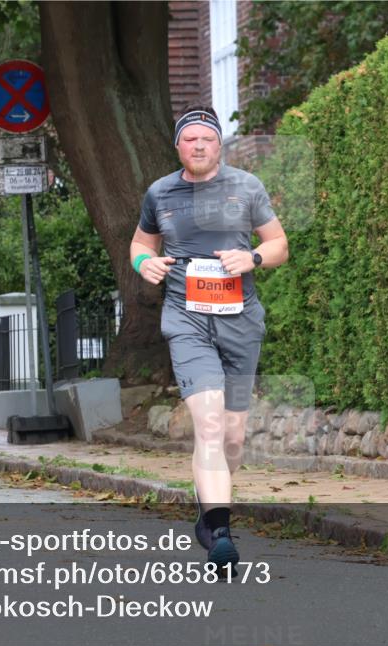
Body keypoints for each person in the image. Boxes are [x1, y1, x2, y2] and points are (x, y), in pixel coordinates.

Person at [130, 104, 289, 572]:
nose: (199, 145)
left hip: (240, 322)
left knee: (234, 435)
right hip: (186, 320)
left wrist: (253, 259)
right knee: (211, 425)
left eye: (207, 139)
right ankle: (221, 531)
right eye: (190, 139)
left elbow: (279, 244)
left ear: (219, 145)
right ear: (178, 146)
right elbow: (141, 244)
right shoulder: (161, 193)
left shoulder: (246, 187)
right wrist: (146, 265)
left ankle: (207, 507)